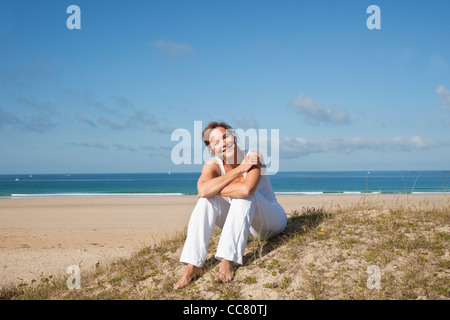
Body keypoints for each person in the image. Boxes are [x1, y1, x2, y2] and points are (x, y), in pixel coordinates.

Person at [173, 121, 286, 290]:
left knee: (244, 196)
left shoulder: (253, 156)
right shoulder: (213, 165)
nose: (223, 143)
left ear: (234, 137)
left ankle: (227, 260)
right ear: (212, 150)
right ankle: (193, 265)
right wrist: (240, 169)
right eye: (216, 142)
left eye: (226, 137)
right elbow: (202, 191)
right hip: (245, 226)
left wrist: (215, 189)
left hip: (271, 221)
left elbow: (247, 189)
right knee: (206, 200)